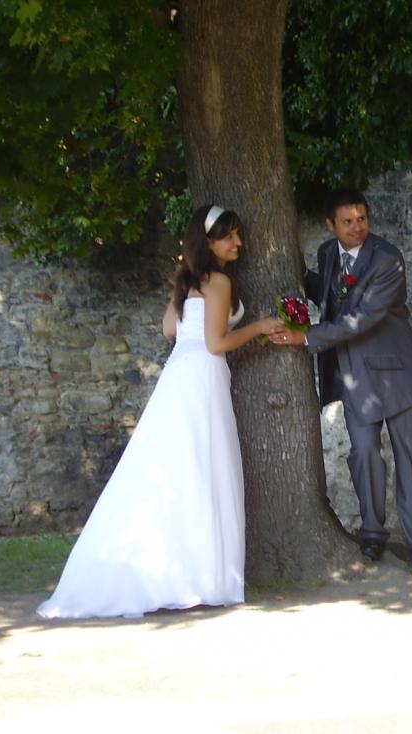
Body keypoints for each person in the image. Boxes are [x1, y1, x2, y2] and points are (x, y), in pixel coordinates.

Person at [38, 204, 284, 618]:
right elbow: (216, 344)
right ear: (208, 242)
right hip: (203, 375)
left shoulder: (187, 279)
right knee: (201, 467)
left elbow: (170, 329)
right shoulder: (219, 281)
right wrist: (258, 327)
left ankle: (173, 572)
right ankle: (198, 575)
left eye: (237, 234)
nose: (238, 242)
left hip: (178, 375)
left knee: (171, 466)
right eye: (228, 236)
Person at [272, 189, 412, 578]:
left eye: (362, 218)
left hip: (395, 373)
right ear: (330, 225)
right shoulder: (328, 253)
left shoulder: (387, 259)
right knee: (364, 454)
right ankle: (372, 534)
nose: (356, 227)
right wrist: (297, 275)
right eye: (347, 221)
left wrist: (306, 337)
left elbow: (361, 318)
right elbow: (332, 295)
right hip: (353, 375)